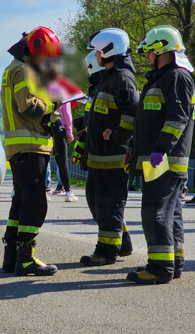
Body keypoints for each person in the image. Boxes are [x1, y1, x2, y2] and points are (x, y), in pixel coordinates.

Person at [127, 25, 194, 284]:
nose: (147, 56)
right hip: (160, 158)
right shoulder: (163, 78)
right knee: (170, 212)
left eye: (149, 52)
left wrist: (160, 149)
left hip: (164, 159)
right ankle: (174, 263)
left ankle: (159, 267)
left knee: (155, 211)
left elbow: (178, 117)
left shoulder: (176, 77)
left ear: (161, 49)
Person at [0, 26, 62, 276]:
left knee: (20, 202)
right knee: (35, 204)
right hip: (31, 146)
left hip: (22, 148)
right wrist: (52, 102)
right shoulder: (23, 70)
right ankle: (26, 260)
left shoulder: (13, 68)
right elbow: (28, 107)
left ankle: (12, 258)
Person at [78, 29, 139, 267]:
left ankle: (106, 251)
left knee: (109, 204)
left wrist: (117, 136)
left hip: (113, 157)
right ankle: (122, 244)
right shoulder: (108, 78)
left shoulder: (123, 79)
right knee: (97, 202)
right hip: (99, 157)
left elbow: (132, 115)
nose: (95, 54)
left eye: (98, 50)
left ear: (109, 50)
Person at [47, 78, 77, 202]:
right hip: (60, 129)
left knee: (45, 161)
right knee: (62, 162)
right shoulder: (62, 91)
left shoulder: (43, 89)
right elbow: (67, 113)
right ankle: (68, 191)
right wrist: (69, 132)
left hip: (46, 128)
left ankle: (44, 190)